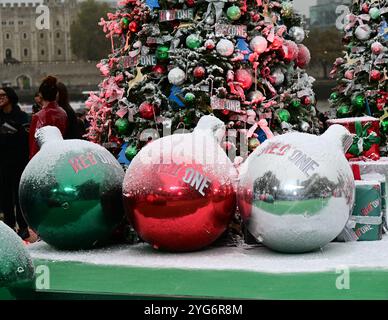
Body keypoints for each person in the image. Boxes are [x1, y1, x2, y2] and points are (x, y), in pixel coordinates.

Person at [0, 87, 31, 239]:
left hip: (19, 161)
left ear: (10, 97)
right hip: (3, 162)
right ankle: (9, 227)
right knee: (5, 196)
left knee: (19, 195)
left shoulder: (22, 116)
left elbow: (26, 139)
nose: (0, 97)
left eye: (2, 95)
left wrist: (15, 132)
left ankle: (23, 226)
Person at [29, 76, 68, 159]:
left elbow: (34, 144)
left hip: (43, 157)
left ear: (40, 94)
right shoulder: (63, 113)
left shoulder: (38, 116)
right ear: (56, 94)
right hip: (59, 154)